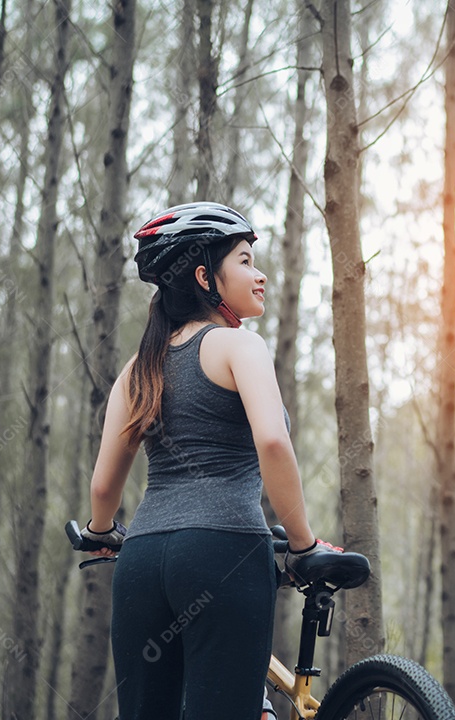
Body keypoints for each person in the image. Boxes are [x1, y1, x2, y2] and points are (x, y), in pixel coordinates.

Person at [79, 202, 336, 720]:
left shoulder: (137, 369)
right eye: (244, 260)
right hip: (225, 553)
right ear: (204, 276)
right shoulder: (239, 346)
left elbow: (104, 487)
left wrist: (102, 533)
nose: (259, 273)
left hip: (142, 564)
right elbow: (273, 445)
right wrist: (304, 543)